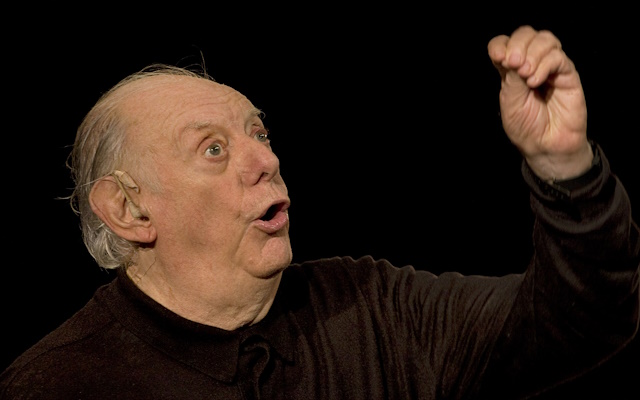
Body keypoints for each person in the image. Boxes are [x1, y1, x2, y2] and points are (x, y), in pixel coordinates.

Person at [1, 25, 638, 399]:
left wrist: (564, 166)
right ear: (129, 208)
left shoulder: (372, 307)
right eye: (214, 149)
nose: (266, 160)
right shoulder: (58, 384)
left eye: (260, 134)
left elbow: (580, 320)